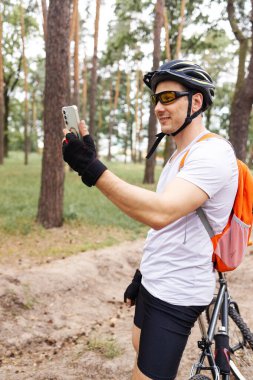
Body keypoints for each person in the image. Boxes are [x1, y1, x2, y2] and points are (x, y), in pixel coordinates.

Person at [62, 59, 238, 380]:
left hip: (177, 292)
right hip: (155, 282)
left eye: (168, 97)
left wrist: (91, 168)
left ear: (196, 101)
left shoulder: (212, 153)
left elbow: (160, 212)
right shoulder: (178, 155)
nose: (159, 107)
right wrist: (142, 273)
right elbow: (168, 228)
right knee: (138, 347)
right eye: (156, 99)